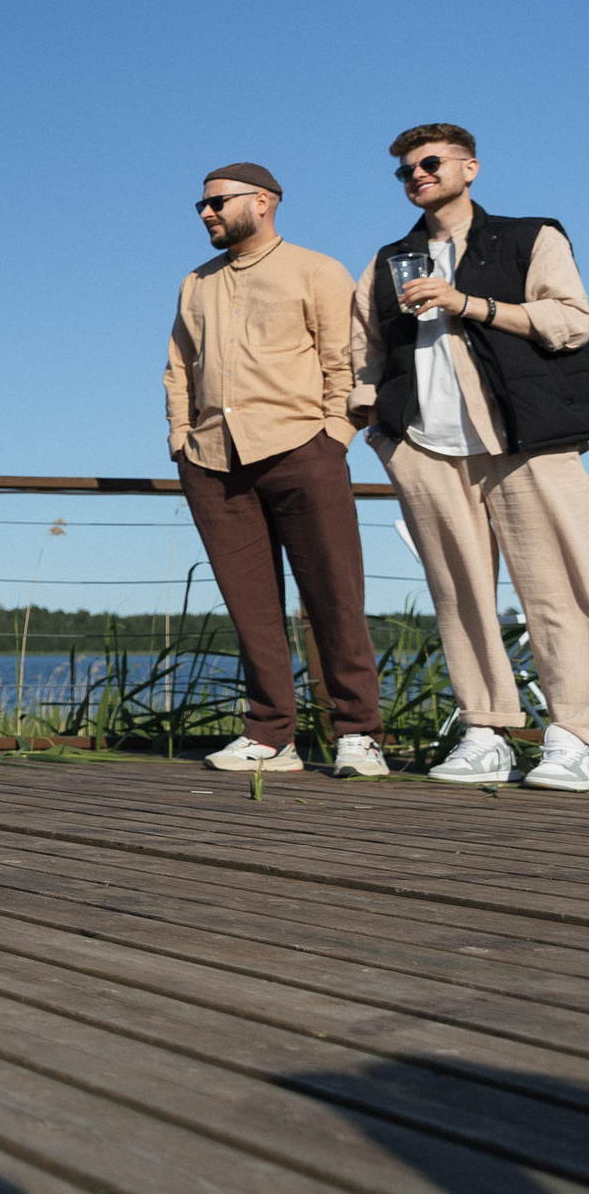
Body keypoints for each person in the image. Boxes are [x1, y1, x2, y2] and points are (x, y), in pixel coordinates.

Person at [349, 124, 589, 790]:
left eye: (429, 163)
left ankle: (573, 735)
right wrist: (382, 432)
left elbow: (572, 320)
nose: (416, 175)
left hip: (525, 440)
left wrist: (468, 303)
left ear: (470, 167)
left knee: (559, 590)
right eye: (404, 171)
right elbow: (363, 351)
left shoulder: (529, 237)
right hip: (426, 448)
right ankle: (484, 730)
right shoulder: (388, 258)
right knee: (459, 597)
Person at [165, 166, 388, 777]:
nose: (206, 213)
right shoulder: (195, 282)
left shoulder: (318, 270)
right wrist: (181, 440)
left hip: (301, 451)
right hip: (213, 462)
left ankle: (359, 734)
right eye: (200, 205)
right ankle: (270, 737)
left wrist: (334, 438)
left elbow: (345, 359)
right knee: (251, 608)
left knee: (335, 596)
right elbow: (179, 367)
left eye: (216, 202)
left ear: (263, 202)